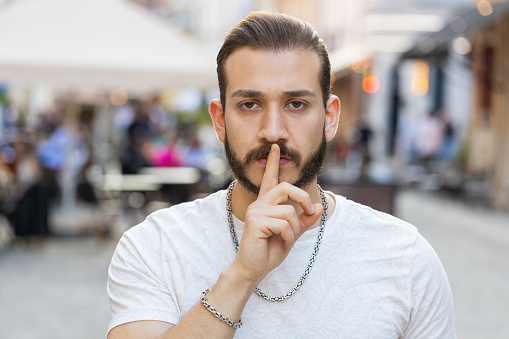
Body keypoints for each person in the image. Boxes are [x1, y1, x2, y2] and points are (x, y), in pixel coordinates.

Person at [107, 12, 455, 338]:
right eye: (250, 105)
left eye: (296, 104)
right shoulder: (154, 246)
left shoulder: (405, 259)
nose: (273, 131)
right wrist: (241, 276)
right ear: (219, 120)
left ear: (330, 117)